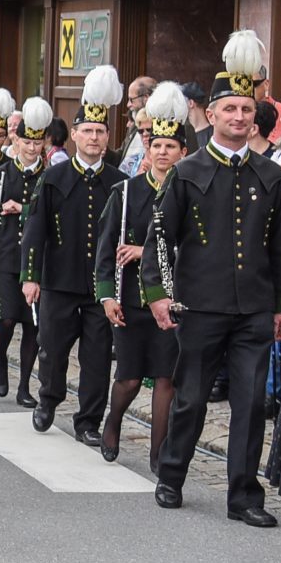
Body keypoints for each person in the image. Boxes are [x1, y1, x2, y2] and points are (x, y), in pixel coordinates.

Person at [140, 31, 281, 527]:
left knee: (249, 404)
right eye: (230, 110)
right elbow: (160, 237)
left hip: (253, 307)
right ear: (212, 114)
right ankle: (171, 474)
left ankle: (244, 496)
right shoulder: (187, 172)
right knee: (191, 398)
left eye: (247, 111)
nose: (239, 118)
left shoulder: (270, 177)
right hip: (200, 306)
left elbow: (280, 246)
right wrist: (159, 292)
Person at [23, 68, 126, 446]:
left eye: (100, 132)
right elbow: (35, 229)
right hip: (59, 279)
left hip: (100, 286)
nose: (94, 137)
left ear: (107, 137)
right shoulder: (53, 178)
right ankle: (48, 399)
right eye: (88, 131)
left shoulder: (118, 182)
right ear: (76, 135)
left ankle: (88, 421)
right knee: (52, 347)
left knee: (98, 356)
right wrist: (30, 275)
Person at [97, 85, 189, 464]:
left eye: (171, 146)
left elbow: (196, 245)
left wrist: (145, 251)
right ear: (148, 150)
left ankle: (159, 452)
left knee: (166, 379)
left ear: (183, 152)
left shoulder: (189, 191)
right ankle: (113, 420)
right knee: (131, 378)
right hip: (132, 300)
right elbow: (106, 249)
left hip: (173, 299)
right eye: (157, 145)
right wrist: (106, 296)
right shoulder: (125, 193)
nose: (163, 152)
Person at [0, 95, 48, 401]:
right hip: (6, 255)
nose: (32, 149)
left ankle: (24, 387)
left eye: (37, 143)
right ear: (16, 141)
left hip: (37, 259)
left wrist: (21, 209)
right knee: (6, 318)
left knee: (32, 324)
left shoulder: (48, 178)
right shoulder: (2, 174)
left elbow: (48, 215)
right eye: (27, 143)